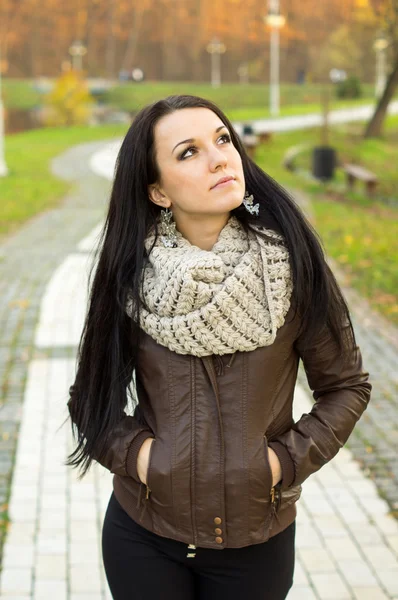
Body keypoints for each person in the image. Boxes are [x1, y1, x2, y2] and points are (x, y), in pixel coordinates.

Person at [66, 94, 372, 600]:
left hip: (257, 542)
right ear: (158, 191)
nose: (220, 158)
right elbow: (89, 398)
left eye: (223, 139)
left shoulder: (291, 267)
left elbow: (346, 387)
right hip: (144, 535)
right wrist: (144, 459)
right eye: (188, 152)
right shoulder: (131, 280)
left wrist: (278, 465)